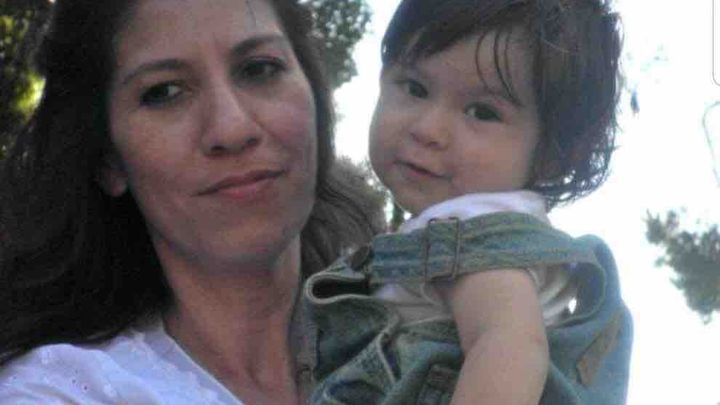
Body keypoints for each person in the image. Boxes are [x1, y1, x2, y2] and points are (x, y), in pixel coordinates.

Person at [0, 0, 383, 403]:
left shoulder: (416, 324)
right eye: (164, 92)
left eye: (260, 68)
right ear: (108, 159)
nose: (232, 128)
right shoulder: (57, 392)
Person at [303, 0, 632, 404]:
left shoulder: (473, 233)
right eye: (415, 88)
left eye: (482, 112)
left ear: (551, 155)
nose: (428, 129)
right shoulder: (446, 234)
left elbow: (511, 350)